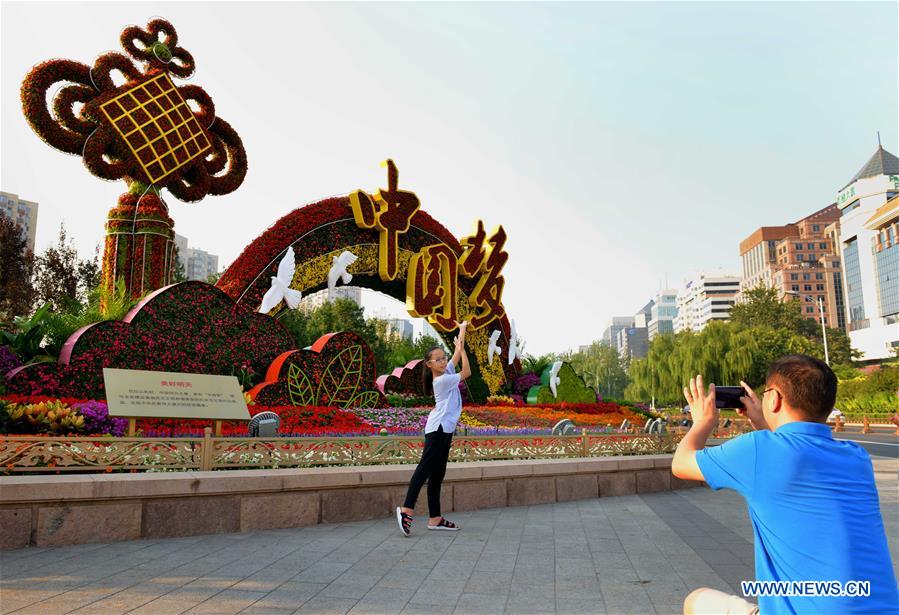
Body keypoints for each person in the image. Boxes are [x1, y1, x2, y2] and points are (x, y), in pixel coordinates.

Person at [673, 354, 899, 615]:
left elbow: (681, 464)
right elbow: (789, 456)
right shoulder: (856, 456)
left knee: (696, 600)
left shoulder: (758, 449)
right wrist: (763, 423)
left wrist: (703, 421)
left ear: (775, 399)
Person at [396, 320, 471, 536]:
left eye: (443, 357)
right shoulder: (441, 381)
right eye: (438, 359)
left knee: (438, 473)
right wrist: (463, 350)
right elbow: (466, 371)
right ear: (429, 364)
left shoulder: (445, 371)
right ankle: (406, 509)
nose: (443, 361)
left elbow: (456, 354)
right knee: (425, 468)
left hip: (444, 428)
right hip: (437, 428)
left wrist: (462, 331)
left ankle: (435, 518)